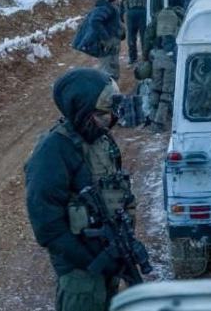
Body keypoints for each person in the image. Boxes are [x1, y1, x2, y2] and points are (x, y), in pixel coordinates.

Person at [25, 68, 137, 311]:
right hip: (80, 277)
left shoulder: (101, 140)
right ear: (81, 111)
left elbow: (119, 189)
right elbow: (47, 226)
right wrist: (94, 261)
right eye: (101, 115)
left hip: (107, 265)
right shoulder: (53, 150)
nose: (109, 122)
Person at [141, 0, 186, 131]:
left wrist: (145, 56)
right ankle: (159, 124)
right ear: (182, 2)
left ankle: (151, 116)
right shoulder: (183, 16)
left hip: (157, 56)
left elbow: (148, 35)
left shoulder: (160, 14)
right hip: (171, 58)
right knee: (167, 92)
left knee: (155, 88)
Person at [72, 0, 125, 81]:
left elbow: (112, 23)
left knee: (111, 68)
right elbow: (95, 21)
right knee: (109, 70)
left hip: (112, 44)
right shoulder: (105, 8)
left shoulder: (111, 7)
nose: (120, 0)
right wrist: (106, 38)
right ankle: (109, 93)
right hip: (108, 45)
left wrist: (120, 31)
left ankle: (111, 90)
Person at [121, 0, 147, 65]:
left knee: (144, 37)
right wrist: (121, 15)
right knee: (131, 38)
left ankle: (145, 57)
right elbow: (121, 2)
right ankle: (133, 58)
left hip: (143, 13)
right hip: (131, 14)